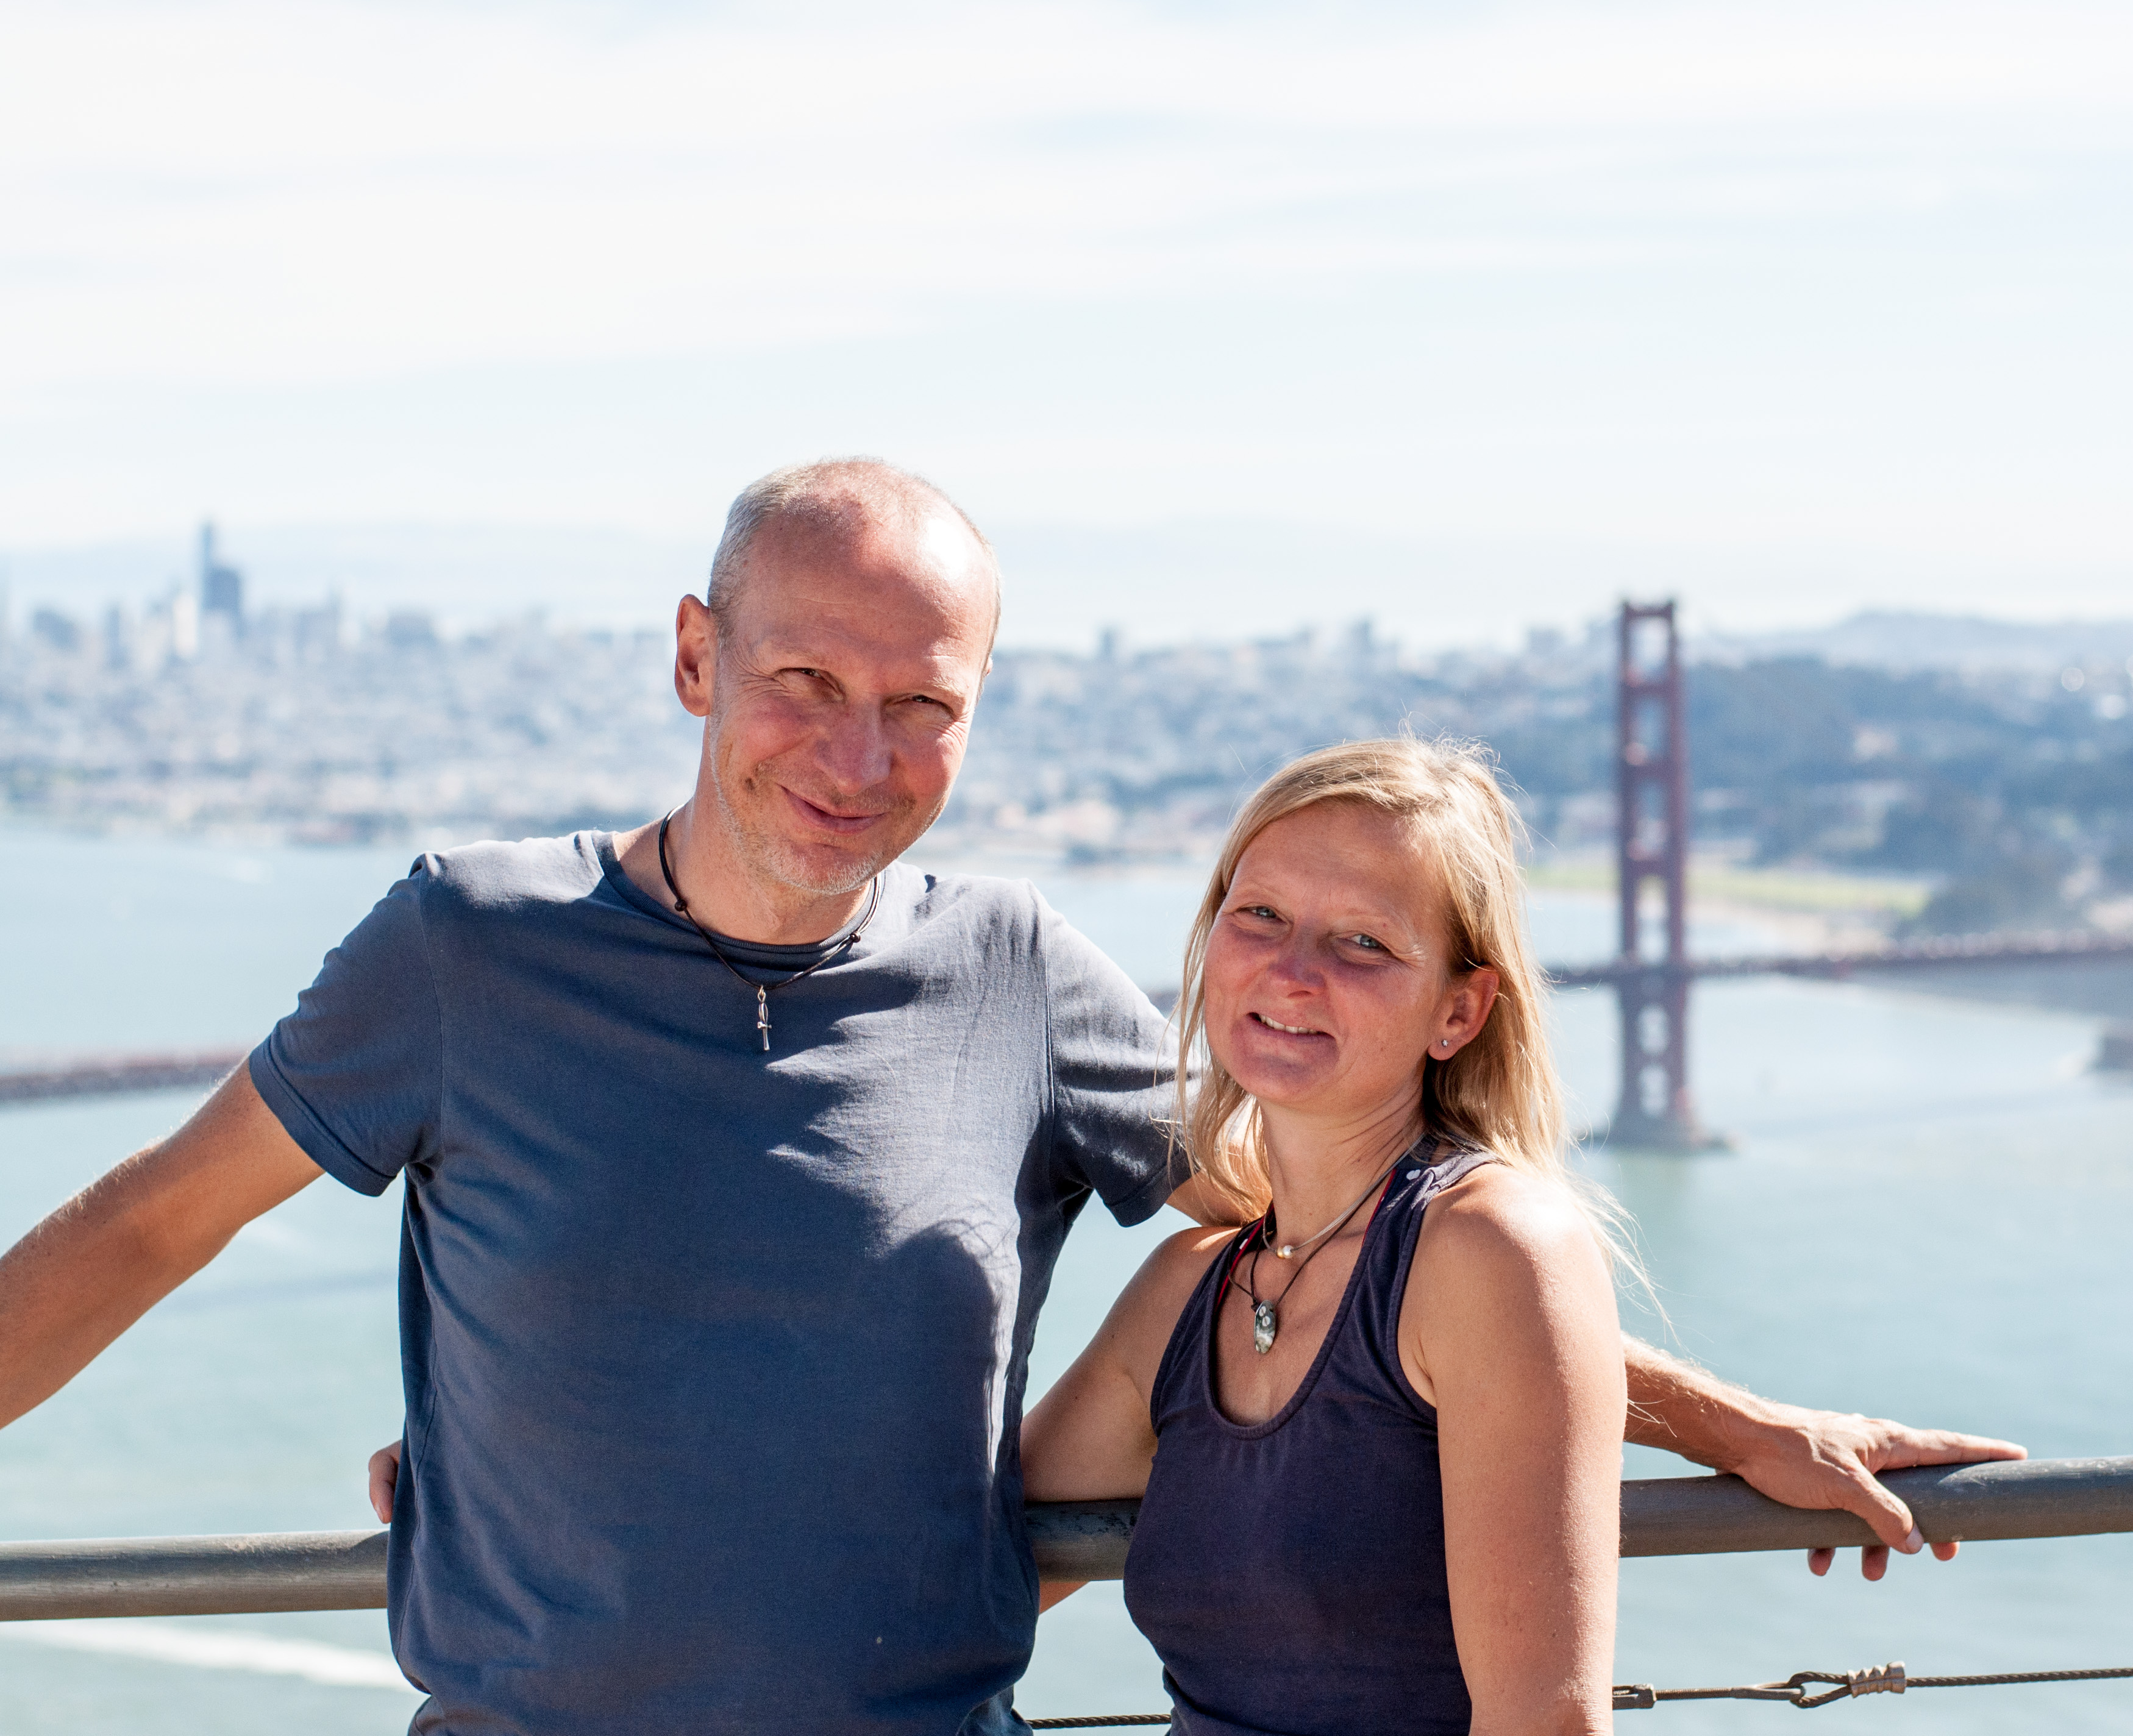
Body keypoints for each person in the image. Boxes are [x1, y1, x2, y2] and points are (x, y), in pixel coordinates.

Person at [0, 458, 2018, 1736]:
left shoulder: (1020, 974)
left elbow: (1340, 1242)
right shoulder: (465, 947)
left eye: (921, 705)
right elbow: (155, 1218)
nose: (855, 755)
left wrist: (1731, 1421)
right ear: (695, 657)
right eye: (803, 681)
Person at [1021, 739, 1626, 1735]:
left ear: (1459, 1011)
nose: (1292, 971)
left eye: (1364, 944)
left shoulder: (1496, 1249)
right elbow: (969, 1576)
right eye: (1260, 915)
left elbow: (1547, 1721)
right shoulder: (1186, 1292)